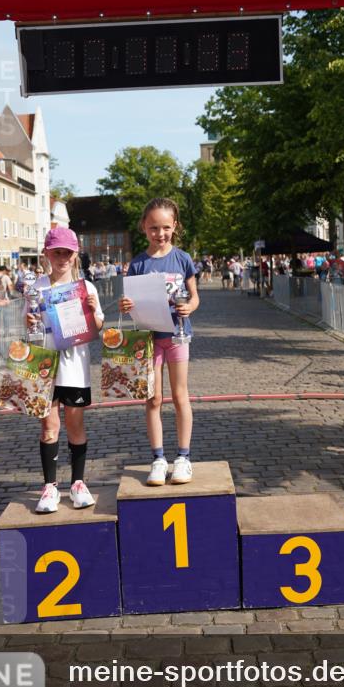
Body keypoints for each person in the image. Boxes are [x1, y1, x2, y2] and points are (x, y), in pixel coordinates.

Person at [119, 197, 199, 487]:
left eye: (165, 227)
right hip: (149, 339)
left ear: (174, 226)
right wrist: (126, 305)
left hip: (178, 336)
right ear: (144, 227)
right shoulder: (138, 263)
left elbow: (194, 295)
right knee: (152, 398)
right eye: (154, 228)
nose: (160, 233)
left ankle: (183, 457)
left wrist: (190, 306)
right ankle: (158, 458)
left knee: (180, 396)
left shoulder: (182, 258)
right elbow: (131, 303)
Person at [27, 228, 104, 514]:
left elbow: (96, 329)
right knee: (49, 426)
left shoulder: (87, 287)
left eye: (67, 253)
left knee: (75, 424)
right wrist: (30, 318)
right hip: (45, 366)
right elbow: (31, 326)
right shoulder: (36, 287)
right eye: (56, 251)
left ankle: (77, 483)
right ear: (47, 253)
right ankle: (49, 487)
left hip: (74, 367)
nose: (61, 257)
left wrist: (94, 312)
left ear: (75, 256)